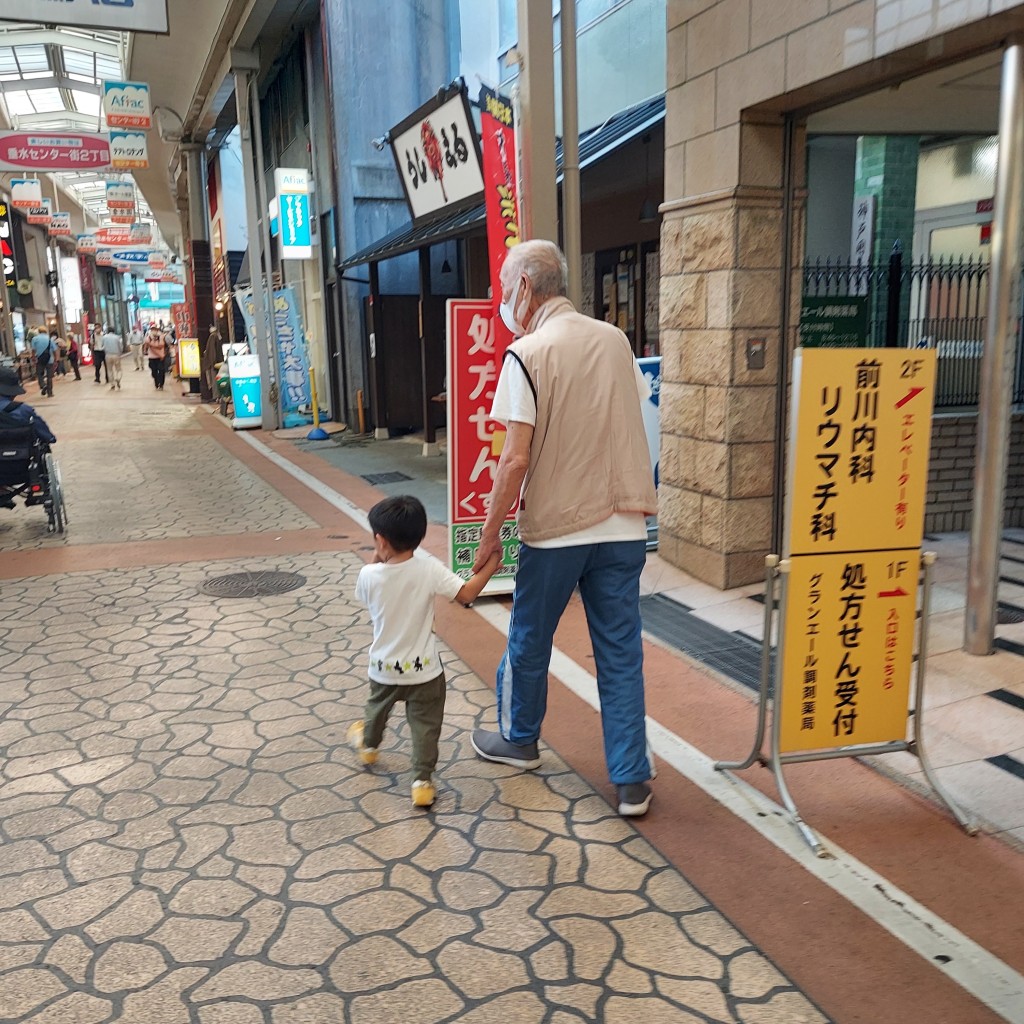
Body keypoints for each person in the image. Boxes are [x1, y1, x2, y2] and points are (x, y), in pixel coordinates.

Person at [469, 239, 659, 818]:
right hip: (624, 523)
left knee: (530, 638)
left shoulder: (527, 353)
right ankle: (631, 780)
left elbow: (514, 459)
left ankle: (520, 739)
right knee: (620, 651)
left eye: (505, 289)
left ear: (525, 288)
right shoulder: (616, 340)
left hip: (555, 532)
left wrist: (490, 532)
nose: (504, 301)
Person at [348, 495, 500, 808]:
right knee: (425, 726)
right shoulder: (429, 568)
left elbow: (375, 579)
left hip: (384, 667)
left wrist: (380, 555)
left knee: (376, 711)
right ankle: (422, 782)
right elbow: (468, 593)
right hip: (425, 670)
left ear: (380, 540)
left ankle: (369, 746)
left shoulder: (367, 576)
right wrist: (493, 565)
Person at [0, 366, 56, 508]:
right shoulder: (24, 410)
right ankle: (35, 490)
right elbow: (47, 436)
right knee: (42, 448)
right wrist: (50, 438)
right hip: (23, 468)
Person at [98, 326, 128, 391]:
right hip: (116, 355)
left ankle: (112, 384)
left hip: (108, 355)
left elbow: (102, 346)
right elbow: (120, 347)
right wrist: (120, 353)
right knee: (118, 369)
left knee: (109, 370)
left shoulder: (104, 337)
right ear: (114, 331)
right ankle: (118, 378)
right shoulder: (117, 337)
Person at [30, 329, 57, 397]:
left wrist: (33, 357)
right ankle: (50, 393)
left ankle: (43, 385)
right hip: (49, 360)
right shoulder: (49, 339)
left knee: (39, 374)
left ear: (39, 332)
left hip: (40, 360)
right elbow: (54, 350)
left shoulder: (35, 339)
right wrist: (55, 360)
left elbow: (33, 350)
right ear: (45, 332)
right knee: (49, 377)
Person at [143, 325, 169, 390]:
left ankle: (161, 384)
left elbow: (163, 345)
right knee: (154, 372)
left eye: (155, 329)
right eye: (152, 329)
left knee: (161, 371)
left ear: (157, 330)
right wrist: (145, 351)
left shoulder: (161, 336)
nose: (154, 331)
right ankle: (156, 382)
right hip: (152, 357)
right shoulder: (149, 337)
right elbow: (146, 345)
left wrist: (152, 345)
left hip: (160, 357)